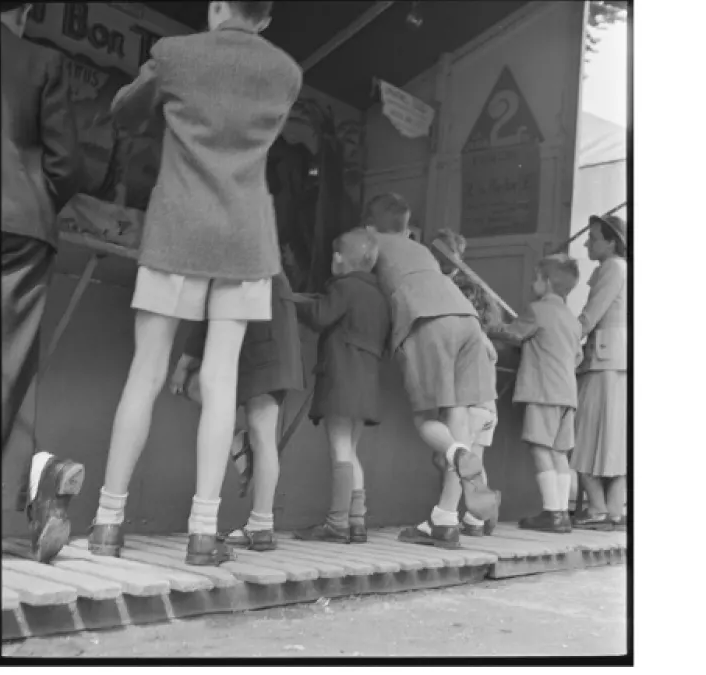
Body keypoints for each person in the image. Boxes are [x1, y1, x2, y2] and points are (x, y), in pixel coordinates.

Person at [87, 1, 302, 566]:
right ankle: (203, 533)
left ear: (215, 6)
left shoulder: (174, 55)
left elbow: (124, 114)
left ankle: (108, 522)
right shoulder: (286, 71)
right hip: (247, 240)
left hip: (177, 231)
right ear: (266, 17)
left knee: (146, 372)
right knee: (222, 380)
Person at [361, 194, 499, 550]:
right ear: (408, 227)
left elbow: (358, 291)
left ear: (368, 225)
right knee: (459, 422)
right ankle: (444, 519)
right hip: (468, 322)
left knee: (428, 422)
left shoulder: (370, 245)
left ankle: (456, 455)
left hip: (426, 321)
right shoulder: (420, 250)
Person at [0, 2, 84, 563]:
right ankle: (31, 487)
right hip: (18, 225)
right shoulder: (39, 61)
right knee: (5, 367)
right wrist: (40, 197)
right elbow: (66, 163)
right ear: (26, 11)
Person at [168, 270, 306, 552]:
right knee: (264, 436)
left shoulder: (241, 259)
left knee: (197, 388)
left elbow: (210, 314)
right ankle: (262, 525)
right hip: (275, 353)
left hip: (255, 348)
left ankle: (237, 445)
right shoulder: (277, 271)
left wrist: (183, 362)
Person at [290, 228, 391, 544]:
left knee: (340, 449)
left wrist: (290, 300)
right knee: (351, 449)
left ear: (340, 259)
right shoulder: (380, 296)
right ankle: (357, 521)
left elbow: (321, 316)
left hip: (340, 377)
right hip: (367, 380)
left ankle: (336, 523)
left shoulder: (344, 287)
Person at [493, 255, 584, 533]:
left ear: (545, 282)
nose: (533, 283)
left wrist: (491, 324)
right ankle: (562, 514)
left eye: (536, 278)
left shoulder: (537, 310)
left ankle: (552, 512)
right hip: (567, 394)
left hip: (544, 391)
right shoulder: (572, 320)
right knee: (559, 453)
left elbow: (513, 334)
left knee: (540, 448)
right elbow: (577, 357)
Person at [430, 229, 505, 537]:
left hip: (470, 406)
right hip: (489, 410)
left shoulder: (466, 333)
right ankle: (479, 516)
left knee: (449, 457)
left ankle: (447, 515)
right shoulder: (486, 339)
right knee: (473, 460)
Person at [570, 215, 629, 531]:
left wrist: (563, 336)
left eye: (592, 238)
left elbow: (590, 316)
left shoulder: (611, 268)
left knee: (586, 432)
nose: (586, 243)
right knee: (614, 436)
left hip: (605, 359)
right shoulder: (624, 268)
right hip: (616, 359)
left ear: (610, 241)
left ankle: (597, 507)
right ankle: (614, 509)